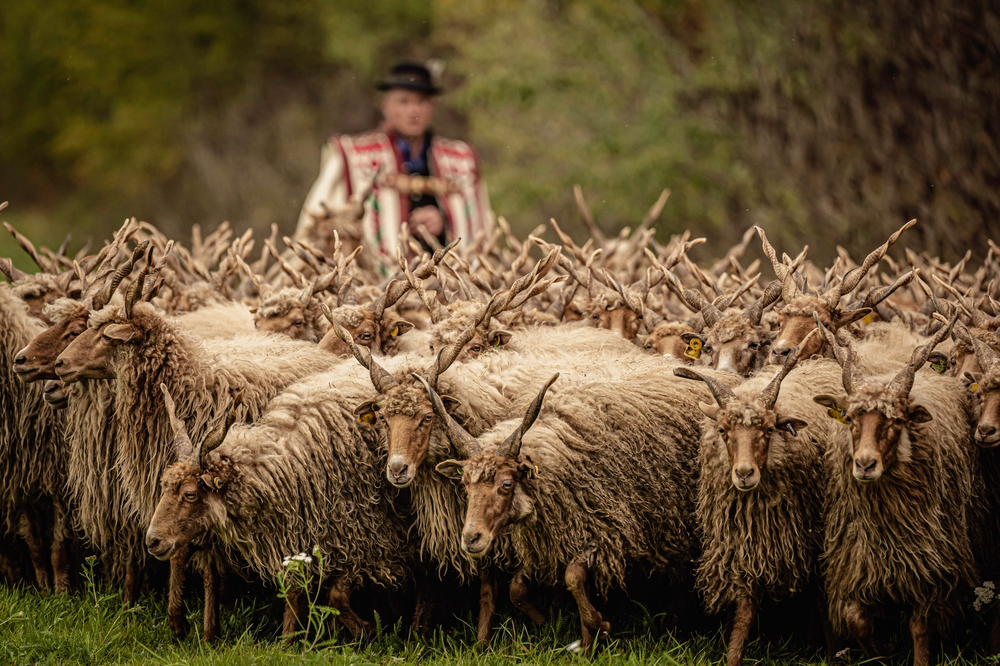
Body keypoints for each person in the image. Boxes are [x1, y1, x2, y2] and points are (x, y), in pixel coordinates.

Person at [295, 62, 492, 262]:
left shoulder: (460, 160)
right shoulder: (353, 156)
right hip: (374, 284)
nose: (413, 110)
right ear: (386, 106)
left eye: (421, 101)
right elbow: (319, 224)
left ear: (432, 107)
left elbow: (480, 224)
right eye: (404, 101)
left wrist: (444, 220)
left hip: (449, 284)